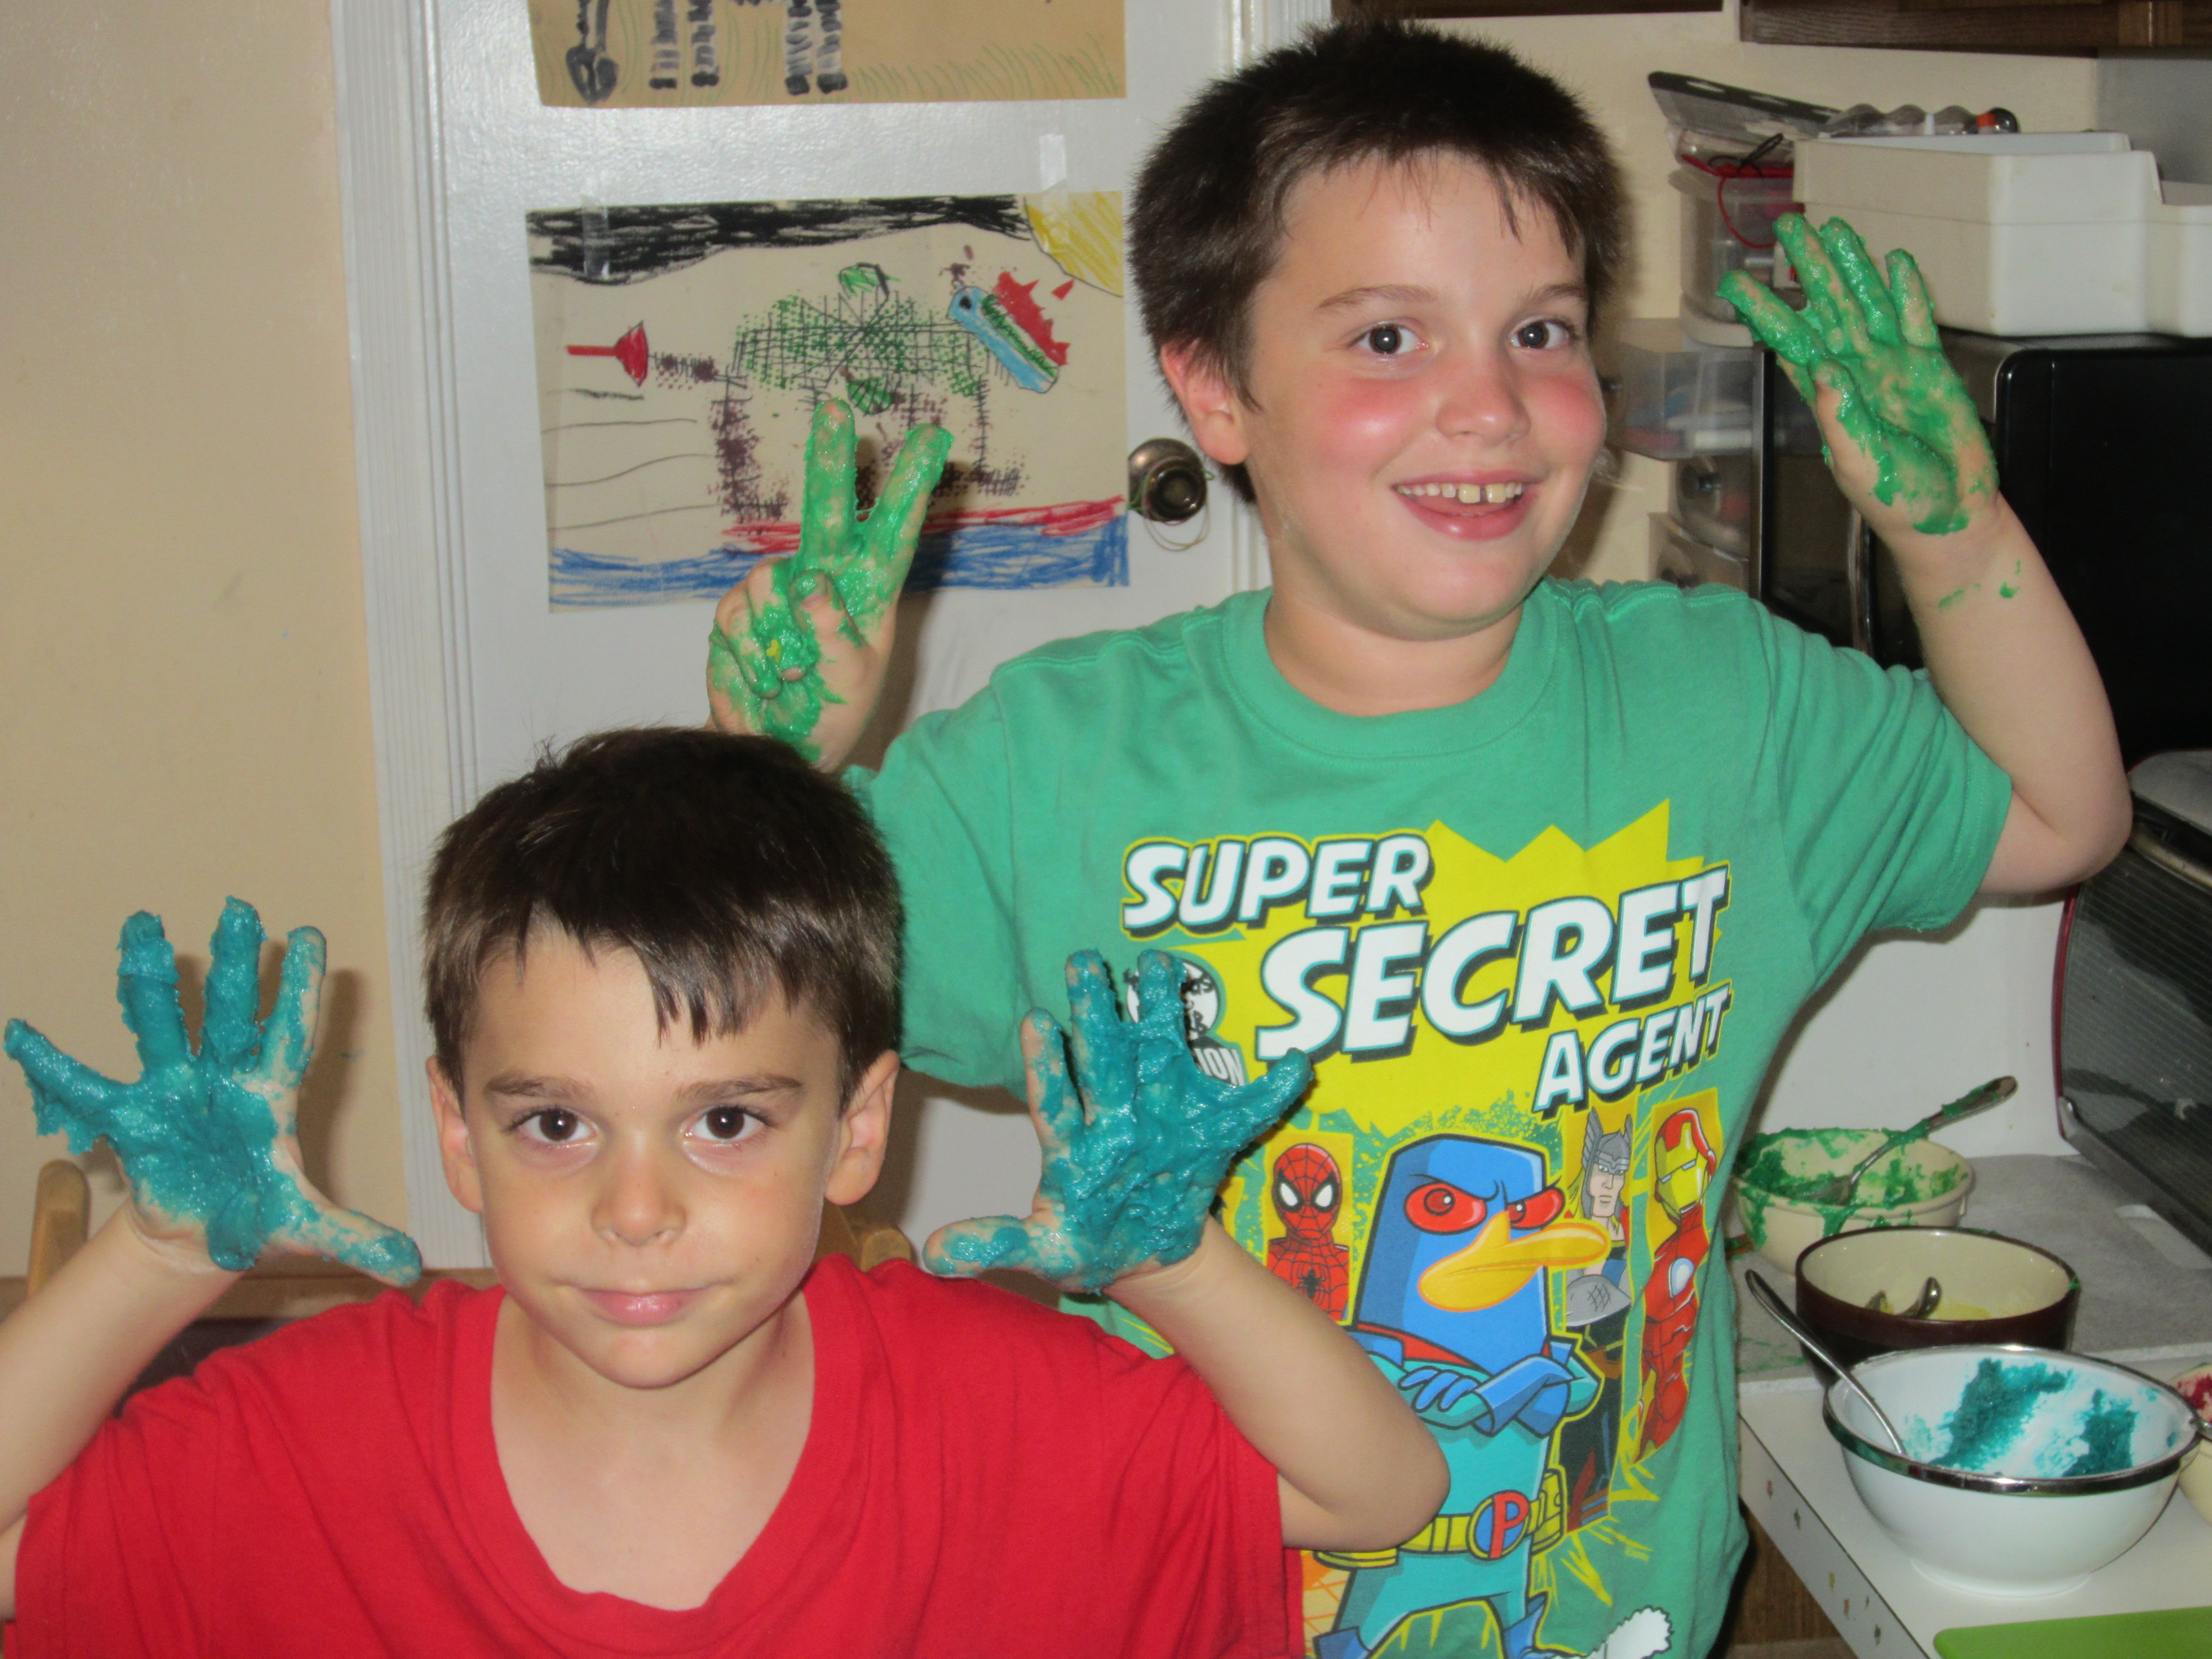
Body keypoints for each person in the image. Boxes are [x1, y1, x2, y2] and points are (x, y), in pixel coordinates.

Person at [705, 20, 2128, 1657]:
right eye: (1388, 336)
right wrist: (767, 774)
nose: (1489, 407)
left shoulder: (1728, 701)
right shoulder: (1045, 763)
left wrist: (1954, 536)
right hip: (1195, 1606)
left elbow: (2062, 819)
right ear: (1215, 388)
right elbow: (727, 1047)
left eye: (1541, 331)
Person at [0, 727, 1445, 1657]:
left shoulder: (989, 1409)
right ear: (458, 1134)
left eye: (728, 1122)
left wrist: (1168, 1262)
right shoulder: (316, 1443)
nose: (636, 1210)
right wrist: (162, 1254)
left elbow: (1378, 1486)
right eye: (556, 1123)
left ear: (858, 1129)